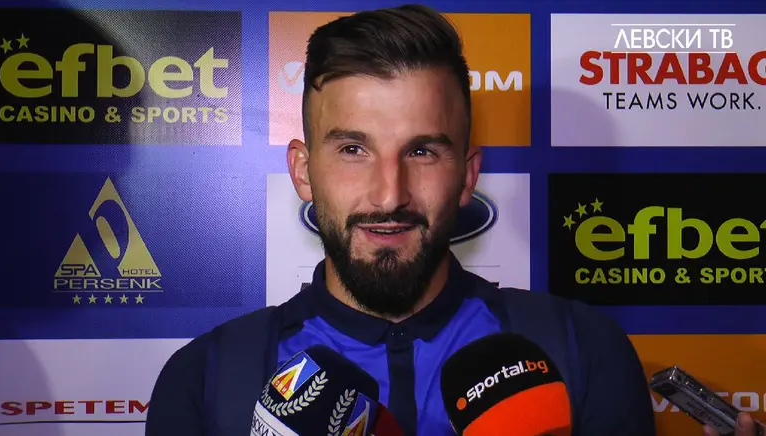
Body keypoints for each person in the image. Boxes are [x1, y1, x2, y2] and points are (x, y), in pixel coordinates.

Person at [145, 4, 657, 435]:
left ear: (467, 176)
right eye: (352, 149)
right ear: (302, 171)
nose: (390, 195)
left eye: (422, 151)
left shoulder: (582, 351)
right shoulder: (206, 380)